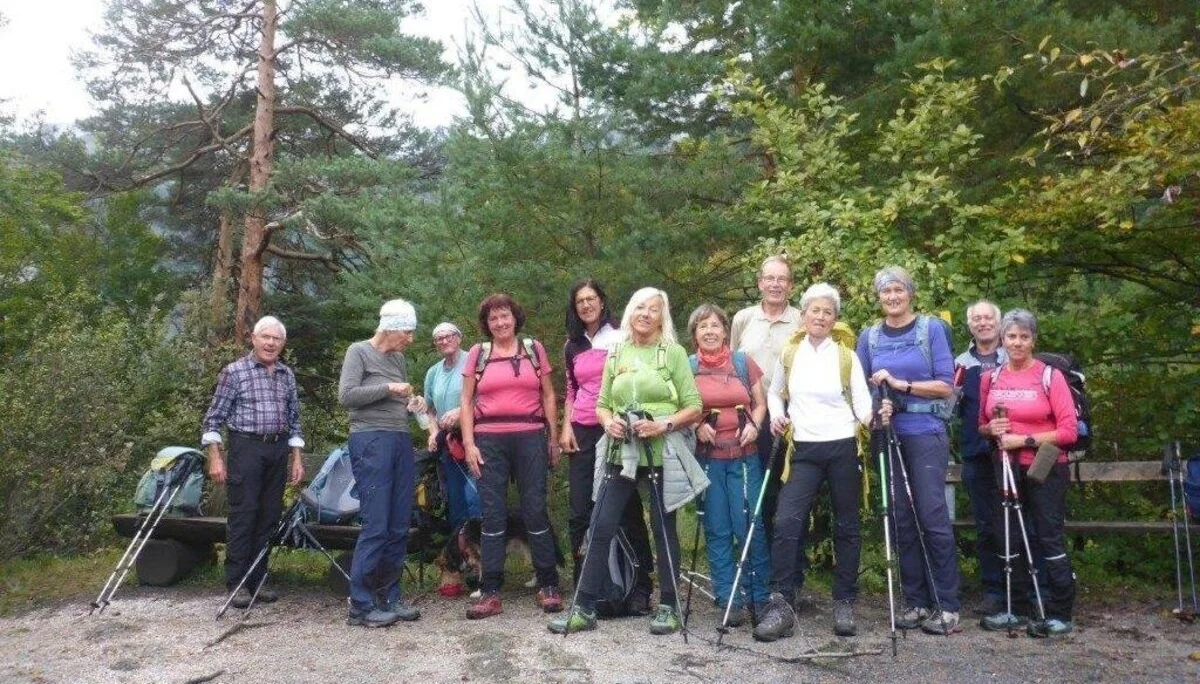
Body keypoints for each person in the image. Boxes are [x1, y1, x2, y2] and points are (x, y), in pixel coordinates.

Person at [549, 287, 707, 636]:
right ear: (630, 312)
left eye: (653, 309)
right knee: (601, 524)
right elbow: (603, 403)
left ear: (661, 317)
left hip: (661, 449)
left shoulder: (673, 353)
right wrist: (608, 422)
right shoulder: (617, 351)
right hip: (622, 449)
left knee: (662, 527)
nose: (645, 314)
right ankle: (584, 607)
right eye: (640, 307)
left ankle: (669, 605)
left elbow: (694, 406)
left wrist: (663, 424)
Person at [757, 283, 873, 640]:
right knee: (787, 521)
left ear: (835, 318)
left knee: (847, 525)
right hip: (803, 448)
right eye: (814, 311)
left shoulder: (845, 355)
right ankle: (782, 602)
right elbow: (775, 392)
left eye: (827, 312)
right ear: (803, 315)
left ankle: (844, 602)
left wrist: (867, 421)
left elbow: (863, 402)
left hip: (841, 446)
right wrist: (776, 415)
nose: (820, 317)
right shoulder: (791, 353)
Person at [856, 266, 962, 635]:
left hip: (926, 431)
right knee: (900, 515)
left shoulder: (930, 329)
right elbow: (863, 388)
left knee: (932, 514)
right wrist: (877, 408)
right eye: (885, 292)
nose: (892, 297)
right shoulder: (868, 337)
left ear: (910, 293)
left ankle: (946, 604)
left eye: (898, 290)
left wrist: (901, 385)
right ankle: (916, 601)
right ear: (879, 297)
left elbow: (946, 386)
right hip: (888, 433)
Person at [460, 293, 563, 619]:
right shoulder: (478, 354)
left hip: (530, 436)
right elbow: (466, 402)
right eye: (493, 319)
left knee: (534, 509)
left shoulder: (533, 350)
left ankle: (549, 584)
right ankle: (490, 591)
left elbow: (548, 394)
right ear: (486, 324)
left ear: (515, 318)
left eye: (505, 316)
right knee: (493, 513)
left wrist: (554, 438)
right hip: (488, 439)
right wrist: (469, 443)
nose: (500, 323)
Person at [978, 309, 1078, 637]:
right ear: (1002, 340)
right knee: (1007, 536)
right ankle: (1016, 608)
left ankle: (1060, 613)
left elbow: (1068, 432)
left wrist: (1023, 439)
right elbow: (982, 425)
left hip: (1045, 466)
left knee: (1048, 535)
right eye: (1011, 337)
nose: (1017, 343)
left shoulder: (1050, 376)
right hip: (1004, 466)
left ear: (1034, 339)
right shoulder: (990, 378)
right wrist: (991, 428)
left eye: (1024, 336)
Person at [560, 279, 654, 612]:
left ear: (602, 302)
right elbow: (571, 389)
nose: (586, 305)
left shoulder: (620, 336)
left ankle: (641, 587)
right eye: (580, 301)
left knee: (626, 510)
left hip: (616, 429)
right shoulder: (572, 345)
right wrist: (565, 426)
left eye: (591, 299)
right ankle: (584, 587)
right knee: (579, 511)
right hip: (583, 431)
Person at [202, 315, 305, 609]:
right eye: (266, 337)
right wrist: (215, 457)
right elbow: (213, 419)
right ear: (254, 339)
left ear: (282, 344)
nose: (271, 343)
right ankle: (237, 583)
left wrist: (296, 457)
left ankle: (257, 579)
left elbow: (295, 420)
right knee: (244, 514)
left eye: (277, 339)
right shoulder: (234, 373)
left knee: (268, 516)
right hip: (245, 447)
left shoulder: (287, 375)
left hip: (277, 450)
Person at [687, 303, 770, 627]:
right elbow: (682, 406)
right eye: (702, 327)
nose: (709, 331)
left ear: (725, 330)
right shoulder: (688, 366)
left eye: (715, 326)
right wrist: (696, 426)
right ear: (694, 333)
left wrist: (755, 425)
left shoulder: (741, 362)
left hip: (745, 456)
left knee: (750, 526)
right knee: (717, 528)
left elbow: (760, 404)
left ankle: (758, 596)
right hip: (708, 460)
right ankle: (728, 598)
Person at [730, 256, 802, 542]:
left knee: (790, 488)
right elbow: (732, 364)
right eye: (769, 278)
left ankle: (789, 558)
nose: (775, 284)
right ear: (760, 283)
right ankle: (758, 554)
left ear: (790, 286)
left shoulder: (800, 320)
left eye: (781, 279)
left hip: (792, 414)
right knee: (758, 487)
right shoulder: (743, 319)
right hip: (753, 416)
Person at [955, 300, 1008, 616]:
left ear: (999, 323)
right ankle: (994, 590)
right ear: (970, 325)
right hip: (976, 454)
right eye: (977, 318)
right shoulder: (960, 364)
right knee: (987, 524)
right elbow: (950, 408)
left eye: (989, 317)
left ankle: (1025, 589)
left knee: (1018, 520)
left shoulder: (1013, 356)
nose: (983, 323)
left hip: (1015, 453)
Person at [423, 322, 480, 538]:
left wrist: (461, 412)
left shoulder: (472, 362)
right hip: (449, 444)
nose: (444, 341)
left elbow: (484, 397)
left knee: (475, 497)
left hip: (476, 439)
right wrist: (432, 431)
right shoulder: (433, 373)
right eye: (439, 338)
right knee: (456, 499)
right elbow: (429, 409)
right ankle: (460, 555)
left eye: (449, 336)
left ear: (459, 338)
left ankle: (482, 555)